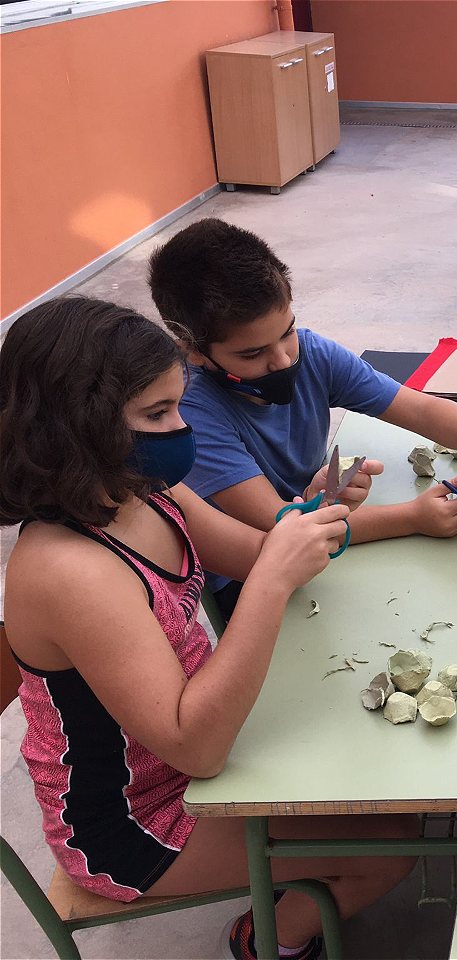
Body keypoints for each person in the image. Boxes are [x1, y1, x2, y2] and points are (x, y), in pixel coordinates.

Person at [0, 298, 419, 960]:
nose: (181, 427)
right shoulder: (67, 569)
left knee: (389, 780)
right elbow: (197, 751)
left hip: (197, 732)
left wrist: (317, 512)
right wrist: (274, 579)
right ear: (75, 427)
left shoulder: (144, 490)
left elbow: (257, 555)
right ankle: (268, 940)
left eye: (178, 405)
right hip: (139, 818)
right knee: (389, 847)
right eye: (157, 414)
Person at [146, 218, 457, 617]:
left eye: (287, 332)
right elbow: (277, 526)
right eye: (253, 354)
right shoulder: (190, 412)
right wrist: (411, 517)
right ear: (193, 351)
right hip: (256, 575)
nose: (283, 359)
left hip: (320, 527)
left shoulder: (312, 354)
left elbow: (417, 408)